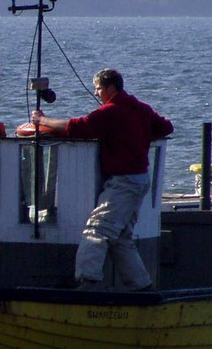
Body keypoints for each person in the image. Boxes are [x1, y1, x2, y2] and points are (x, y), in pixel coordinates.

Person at [31, 68, 173, 291]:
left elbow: (78, 128)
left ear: (110, 87)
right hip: (140, 180)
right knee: (121, 237)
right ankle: (142, 287)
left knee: (97, 230)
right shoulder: (140, 108)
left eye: (98, 88)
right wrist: (138, 138)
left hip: (124, 182)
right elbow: (166, 127)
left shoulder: (111, 112)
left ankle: (87, 281)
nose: (96, 93)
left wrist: (42, 120)